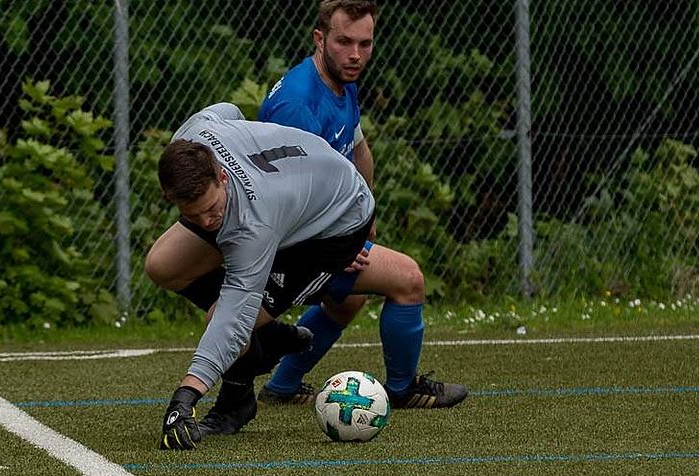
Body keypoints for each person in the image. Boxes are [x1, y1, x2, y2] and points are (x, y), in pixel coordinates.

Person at [154, 102, 466, 451]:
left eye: (211, 209)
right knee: (162, 265)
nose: (206, 222)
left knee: (227, 318)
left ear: (222, 177)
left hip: (332, 231)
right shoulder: (193, 137)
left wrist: (187, 395)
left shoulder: (255, 221)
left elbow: (233, 314)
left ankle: (235, 404)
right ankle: (270, 336)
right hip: (290, 201)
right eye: (193, 215)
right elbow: (227, 110)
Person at [255, 0, 467, 411]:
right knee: (409, 279)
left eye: (365, 43)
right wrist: (338, 245)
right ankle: (403, 390)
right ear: (319, 39)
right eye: (344, 42)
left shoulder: (341, 80)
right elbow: (286, 199)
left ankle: (283, 386)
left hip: (321, 232)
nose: (355, 54)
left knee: (347, 300)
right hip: (288, 244)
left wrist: (363, 213)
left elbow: (358, 149)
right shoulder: (297, 105)